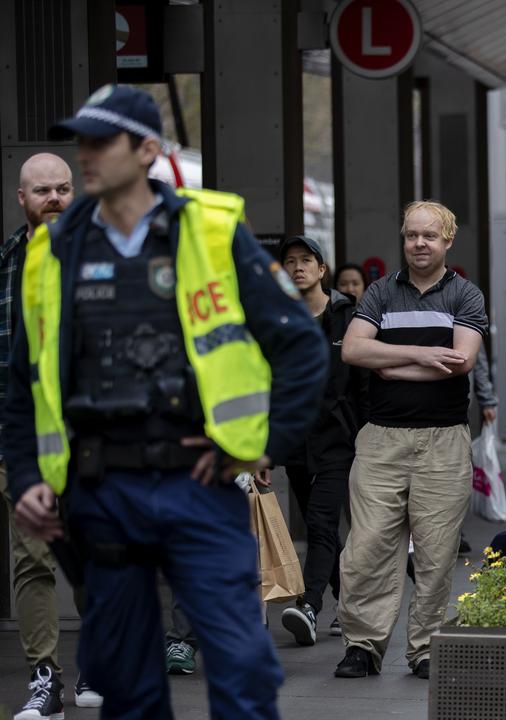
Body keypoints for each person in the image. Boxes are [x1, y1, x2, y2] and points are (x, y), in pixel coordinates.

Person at [4, 84, 327, 719]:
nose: (88, 155)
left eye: (104, 141)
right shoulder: (56, 248)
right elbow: (24, 378)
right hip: (100, 493)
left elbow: (303, 350)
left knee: (240, 673)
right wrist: (24, 479)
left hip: (197, 485)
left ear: (147, 149)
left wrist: (257, 445)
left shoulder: (209, 233)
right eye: (83, 141)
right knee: (127, 687)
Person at [335, 200, 487, 680]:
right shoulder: (380, 291)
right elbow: (354, 351)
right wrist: (421, 355)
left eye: (429, 236)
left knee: (437, 550)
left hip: (443, 442)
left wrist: (387, 359)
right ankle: (362, 645)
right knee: (367, 547)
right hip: (381, 440)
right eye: (411, 235)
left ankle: (424, 648)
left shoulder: (466, 295)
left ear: (448, 241)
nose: (419, 243)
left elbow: (459, 362)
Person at [3, 153, 103, 718]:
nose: (56, 199)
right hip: (21, 441)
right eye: (43, 191)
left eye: (65, 188)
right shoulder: (7, 264)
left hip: (93, 438)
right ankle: (45, 678)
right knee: (33, 558)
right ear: (23, 199)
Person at [277, 235, 366, 646]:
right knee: (322, 525)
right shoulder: (279, 319)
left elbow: (364, 380)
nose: (298, 267)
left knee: (320, 521)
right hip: (295, 440)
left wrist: (365, 431)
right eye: (290, 261)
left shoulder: (348, 316)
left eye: (306, 260)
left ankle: (309, 604)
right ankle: (346, 600)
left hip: (339, 439)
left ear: (321, 269)